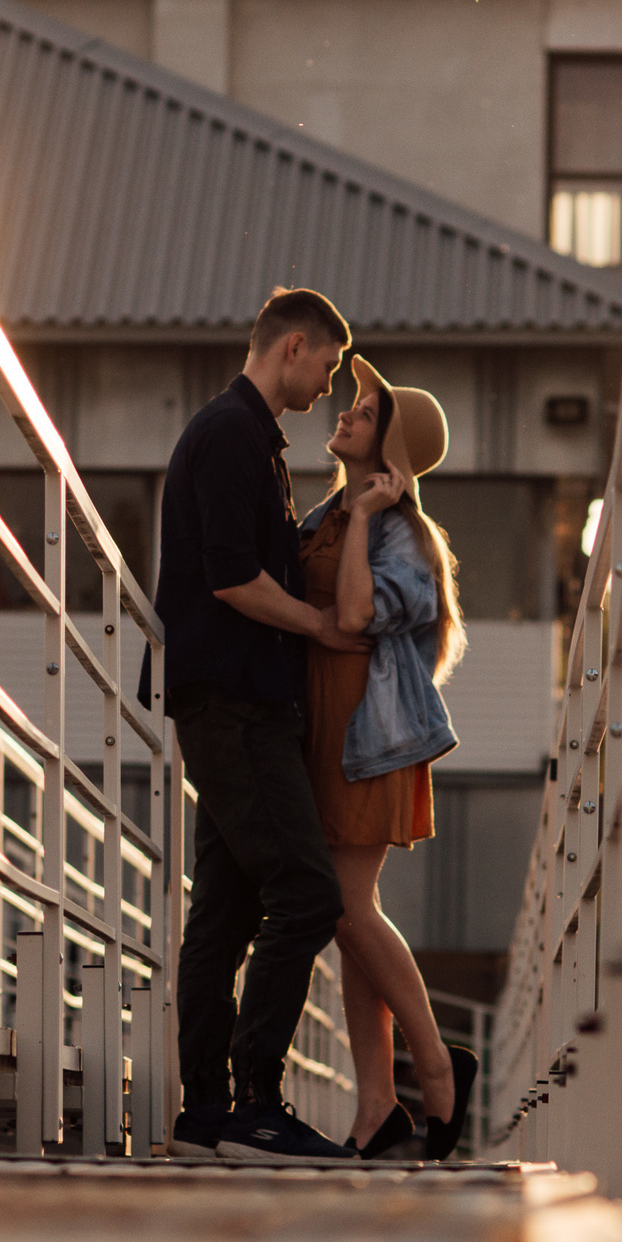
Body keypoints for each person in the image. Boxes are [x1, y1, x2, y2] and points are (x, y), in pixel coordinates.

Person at [146, 287, 367, 1159]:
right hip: (234, 703)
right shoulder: (233, 436)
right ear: (293, 347)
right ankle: (253, 1106)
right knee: (308, 895)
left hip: (231, 701)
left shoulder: (248, 440)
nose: (329, 386)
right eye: (328, 366)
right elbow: (233, 579)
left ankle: (207, 1117)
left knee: (226, 917)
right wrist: (322, 628)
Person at [295, 356, 481, 1160]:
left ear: (389, 455)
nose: (345, 413)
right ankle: (376, 1106)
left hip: (372, 736)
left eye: (363, 411)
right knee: (345, 919)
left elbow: (359, 613)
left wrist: (371, 517)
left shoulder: (402, 533)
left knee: (346, 905)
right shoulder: (327, 515)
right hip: (328, 732)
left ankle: (438, 1068)